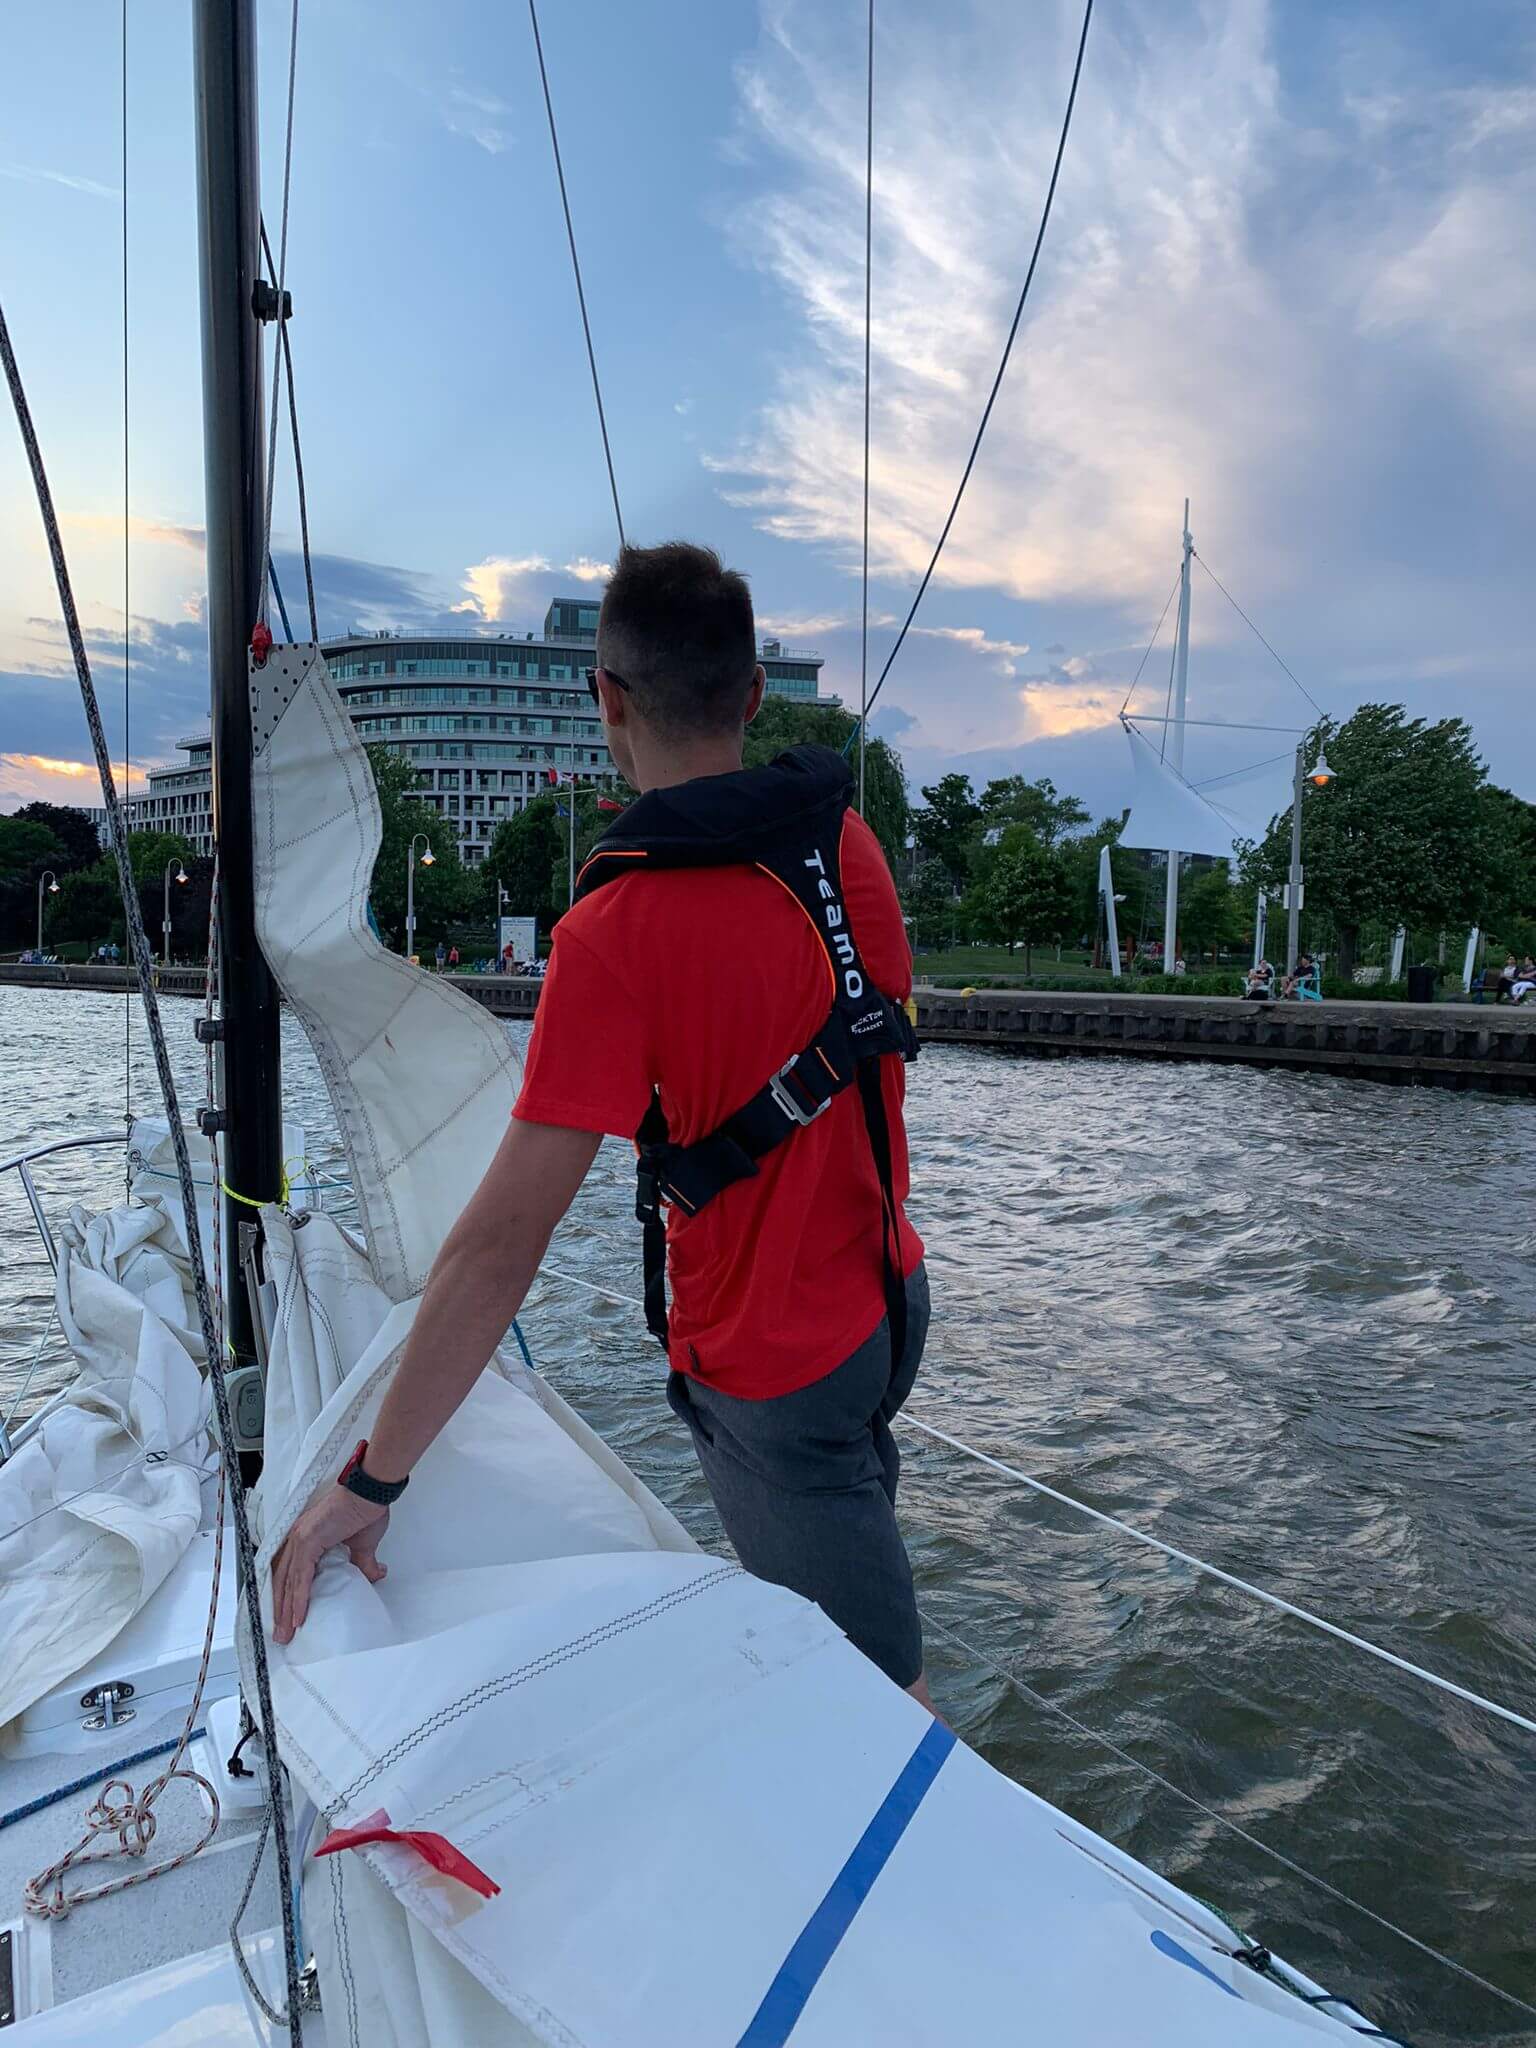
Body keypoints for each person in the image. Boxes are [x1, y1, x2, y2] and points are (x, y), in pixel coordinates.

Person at [271, 541, 934, 1707]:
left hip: (770, 1362)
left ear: (607, 697)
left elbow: (497, 1247)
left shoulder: (616, 933)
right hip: (887, 1304)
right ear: (755, 694)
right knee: (847, 1594)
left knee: (874, 1697)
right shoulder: (849, 847)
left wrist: (371, 1482)